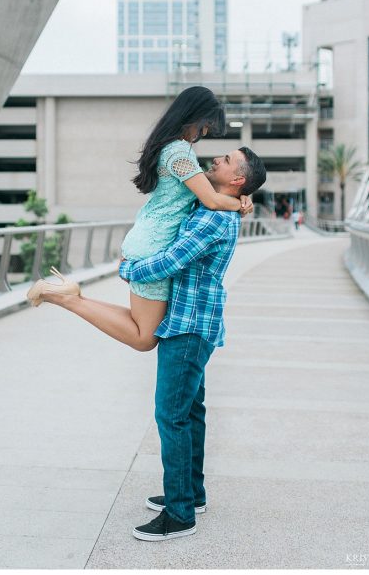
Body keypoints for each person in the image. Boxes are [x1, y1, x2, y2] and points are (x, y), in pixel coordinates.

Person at [26, 86, 253, 351]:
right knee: (144, 337)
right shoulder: (180, 153)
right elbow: (212, 200)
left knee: (141, 326)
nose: (204, 133)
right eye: (205, 126)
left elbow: (207, 192)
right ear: (195, 116)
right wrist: (240, 203)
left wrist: (243, 199)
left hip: (147, 239)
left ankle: (70, 296)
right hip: (153, 246)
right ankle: (64, 298)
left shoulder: (170, 148)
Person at [119, 146, 266, 540]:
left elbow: (171, 261)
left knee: (171, 415)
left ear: (237, 180)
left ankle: (180, 514)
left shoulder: (216, 216)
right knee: (190, 412)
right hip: (195, 322)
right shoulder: (218, 205)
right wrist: (241, 201)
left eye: (228, 160)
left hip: (188, 327)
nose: (217, 158)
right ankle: (191, 494)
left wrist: (126, 268)